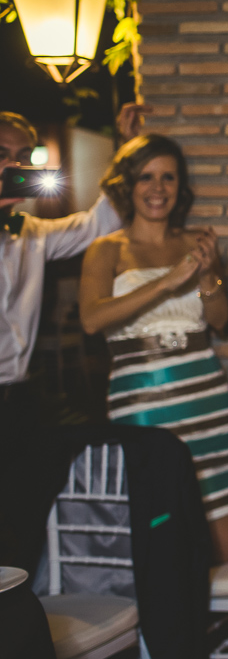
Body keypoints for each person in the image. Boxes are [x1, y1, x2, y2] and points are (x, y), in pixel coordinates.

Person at [76, 134, 228, 563]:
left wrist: (207, 276)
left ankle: (216, 611)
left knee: (225, 540)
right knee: (161, 527)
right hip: (142, 400)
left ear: (180, 186)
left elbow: (220, 320)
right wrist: (167, 283)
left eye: (169, 177)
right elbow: (91, 319)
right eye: (146, 177)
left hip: (205, 396)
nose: (158, 188)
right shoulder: (105, 250)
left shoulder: (195, 243)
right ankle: (174, 608)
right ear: (127, 185)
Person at [0, 105, 144, 470]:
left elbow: (99, 225)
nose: (14, 166)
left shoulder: (32, 233)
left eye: (23, 156)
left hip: (20, 396)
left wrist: (128, 149)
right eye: (2, 154)